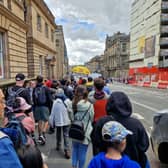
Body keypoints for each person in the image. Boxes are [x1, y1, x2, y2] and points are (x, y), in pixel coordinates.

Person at [106, 92, 150, 168]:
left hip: (107, 163)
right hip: (135, 161)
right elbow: (144, 146)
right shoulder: (136, 124)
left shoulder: (103, 123)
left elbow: (96, 144)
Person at [71, 85, 94, 168]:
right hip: (85, 132)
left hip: (75, 129)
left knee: (75, 150)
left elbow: (71, 117)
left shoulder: (73, 103)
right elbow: (91, 118)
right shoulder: (90, 105)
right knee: (83, 152)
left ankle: (74, 166)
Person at [49, 88, 73, 159]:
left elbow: (52, 113)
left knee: (58, 133)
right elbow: (71, 111)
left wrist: (51, 122)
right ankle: (67, 150)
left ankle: (58, 145)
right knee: (66, 135)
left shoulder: (55, 102)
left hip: (58, 121)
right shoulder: (67, 101)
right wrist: (72, 119)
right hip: (66, 121)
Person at [88, 78, 109, 155]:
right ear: (103, 87)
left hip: (95, 125)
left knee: (96, 147)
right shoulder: (108, 98)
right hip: (106, 125)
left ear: (94, 86)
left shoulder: (90, 100)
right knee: (106, 147)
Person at [33, 75, 53, 145]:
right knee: (46, 120)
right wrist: (50, 108)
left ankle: (40, 135)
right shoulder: (46, 88)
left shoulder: (34, 88)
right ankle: (43, 133)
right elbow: (50, 99)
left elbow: (33, 99)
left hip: (37, 107)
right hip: (45, 107)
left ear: (36, 80)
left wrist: (35, 107)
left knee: (39, 122)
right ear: (42, 80)